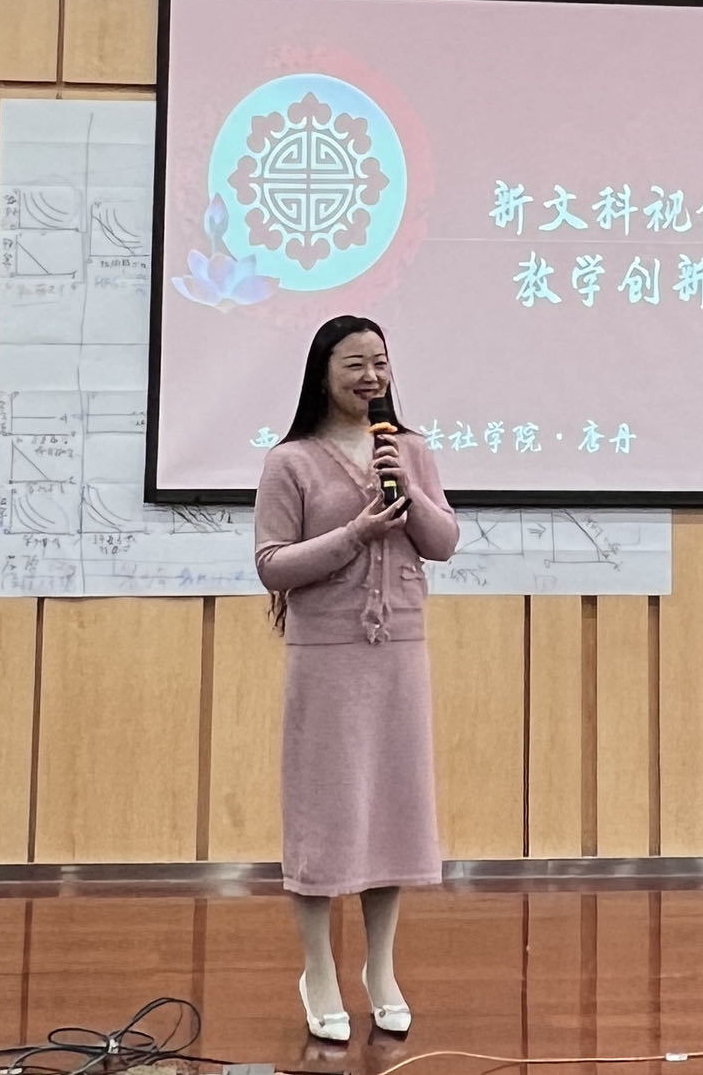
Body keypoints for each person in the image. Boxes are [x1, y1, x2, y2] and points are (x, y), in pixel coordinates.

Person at [253, 314, 459, 1043]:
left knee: (392, 808)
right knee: (325, 812)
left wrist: (409, 491)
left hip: (399, 650)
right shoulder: (290, 462)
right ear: (323, 373)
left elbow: (442, 542)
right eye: (354, 364)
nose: (371, 377)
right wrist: (356, 533)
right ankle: (317, 969)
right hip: (327, 655)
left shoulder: (409, 450)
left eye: (380, 363)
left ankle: (381, 970)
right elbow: (271, 565)